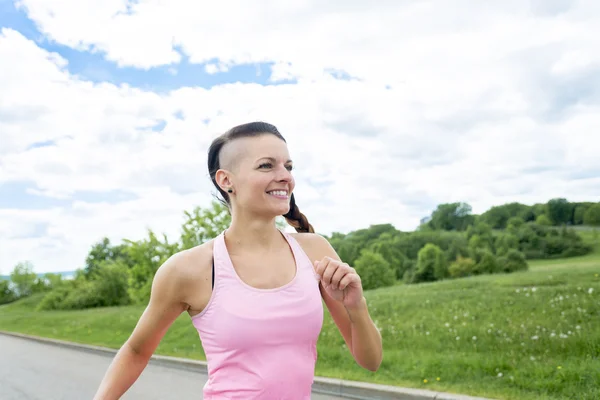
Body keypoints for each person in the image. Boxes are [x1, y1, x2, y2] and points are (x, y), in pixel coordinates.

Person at [93, 122, 383, 399]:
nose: (285, 176)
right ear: (226, 180)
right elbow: (136, 351)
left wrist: (356, 306)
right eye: (266, 165)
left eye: (288, 166)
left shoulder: (315, 251)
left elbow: (370, 361)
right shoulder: (188, 269)